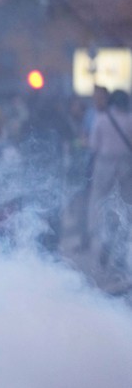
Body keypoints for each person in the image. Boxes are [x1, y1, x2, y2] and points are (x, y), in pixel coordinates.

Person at [86, 89, 132, 272]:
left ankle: (104, 243)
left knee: (101, 208)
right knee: (125, 210)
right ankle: (120, 254)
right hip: (126, 168)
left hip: (104, 167)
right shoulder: (130, 120)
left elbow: (93, 146)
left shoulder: (102, 118)